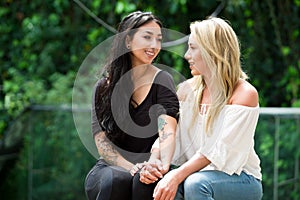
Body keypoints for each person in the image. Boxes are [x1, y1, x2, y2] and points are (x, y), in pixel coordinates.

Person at [142, 17, 263, 200]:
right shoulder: (186, 90)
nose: (186, 55)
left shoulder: (245, 94)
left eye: (192, 48)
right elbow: (168, 132)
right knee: (161, 182)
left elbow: (218, 150)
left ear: (211, 51)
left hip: (241, 179)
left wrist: (177, 175)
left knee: (195, 183)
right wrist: (154, 160)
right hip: (196, 175)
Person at [84, 11, 180, 200]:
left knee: (145, 181)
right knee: (117, 179)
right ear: (127, 41)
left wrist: (160, 166)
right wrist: (132, 168)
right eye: (147, 37)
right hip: (110, 169)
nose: (154, 45)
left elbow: (167, 132)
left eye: (158, 39)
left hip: (152, 165)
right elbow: (102, 144)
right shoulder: (104, 87)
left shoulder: (163, 80)